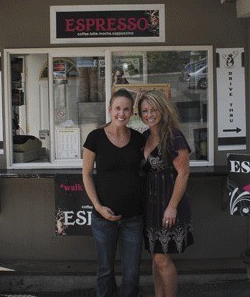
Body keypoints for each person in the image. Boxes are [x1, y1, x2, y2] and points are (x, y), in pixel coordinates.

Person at [82, 89, 145, 297]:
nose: (121, 113)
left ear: (132, 113)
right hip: (103, 218)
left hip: (133, 218)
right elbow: (87, 175)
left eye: (126, 109)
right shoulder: (95, 137)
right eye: (117, 108)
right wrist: (99, 207)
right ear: (110, 110)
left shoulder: (138, 139)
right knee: (105, 272)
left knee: (131, 275)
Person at [138, 90, 194, 297]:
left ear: (163, 109)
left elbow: (184, 173)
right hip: (150, 205)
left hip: (169, 204)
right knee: (155, 257)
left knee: (161, 259)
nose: (149, 114)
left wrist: (171, 207)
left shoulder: (174, 135)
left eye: (153, 109)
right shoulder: (145, 136)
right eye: (145, 110)